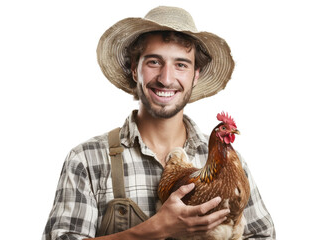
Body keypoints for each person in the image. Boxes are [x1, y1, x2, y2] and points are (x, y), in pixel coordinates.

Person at [43, 6, 275, 240]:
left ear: (196, 74)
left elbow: (262, 235)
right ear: (135, 69)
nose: (166, 79)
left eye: (181, 64)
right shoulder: (88, 159)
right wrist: (156, 229)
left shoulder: (232, 166)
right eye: (154, 62)